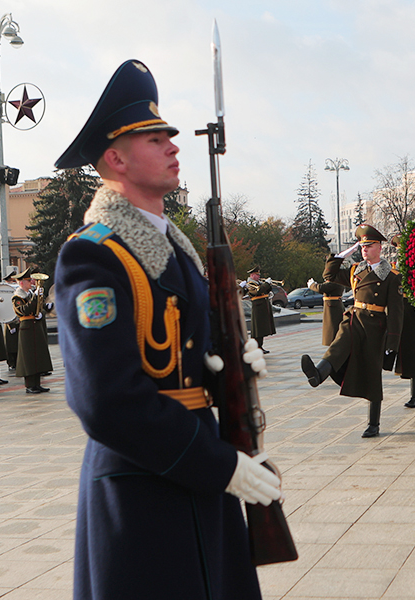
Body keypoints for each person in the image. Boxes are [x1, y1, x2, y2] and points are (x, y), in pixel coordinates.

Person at [53, 59, 278, 600]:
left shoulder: (173, 249)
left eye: (170, 137)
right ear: (116, 158)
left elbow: (179, 348)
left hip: (202, 473)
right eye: (156, 139)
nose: (174, 147)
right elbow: (106, 401)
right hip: (144, 489)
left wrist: (226, 360)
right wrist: (219, 466)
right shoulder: (94, 257)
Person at [300, 224, 403, 437]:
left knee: (372, 374)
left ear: (380, 248)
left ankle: (373, 424)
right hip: (353, 318)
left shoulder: (392, 276)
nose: (364, 250)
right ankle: (318, 374)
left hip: (375, 326)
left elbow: (396, 312)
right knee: (338, 346)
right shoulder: (356, 270)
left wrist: (392, 344)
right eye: (362, 246)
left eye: (369, 245)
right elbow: (330, 275)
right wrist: (340, 255)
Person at [389, 234, 415, 408]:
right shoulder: (392, 269)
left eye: (402, 249)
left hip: (412, 311)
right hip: (395, 311)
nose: (399, 253)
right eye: (397, 250)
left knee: (413, 351)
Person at [12, 268, 53, 393]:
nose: (31, 282)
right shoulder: (17, 297)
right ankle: (30, 385)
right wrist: (35, 296)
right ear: (21, 283)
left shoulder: (30, 294)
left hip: (35, 327)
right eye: (29, 280)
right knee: (29, 358)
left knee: (37, 357)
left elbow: (39, 307)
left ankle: (37, 384)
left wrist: (43, 311)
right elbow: (24, 310)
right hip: (27, 329)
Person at [306, 271, 346, 346]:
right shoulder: (336, 280)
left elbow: (321, 288)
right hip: (332, 305)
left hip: (333, 307)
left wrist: (312, 285)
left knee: (332, 329)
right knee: (331, 330)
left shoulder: (336, 280)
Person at [245, 266, 275, 353]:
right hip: (257, 307)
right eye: (257, 275)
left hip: (262, 306)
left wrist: (269, 285)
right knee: (257, 330)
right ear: (252, 275)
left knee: (261, 329)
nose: (259, 276)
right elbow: (257, 291)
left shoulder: (258, 282)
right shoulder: (250, 283)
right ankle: (255, 347)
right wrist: (266, 284)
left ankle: (260, 346)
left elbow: (266, 291)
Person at [2, 268, 18, 371]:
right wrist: (8, 324)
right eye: (12, 280)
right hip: (9, 321)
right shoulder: (4, 290)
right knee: (10, 344)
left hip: (16, 319)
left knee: (16, 343)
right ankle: (11, 362)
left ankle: (15, 361)